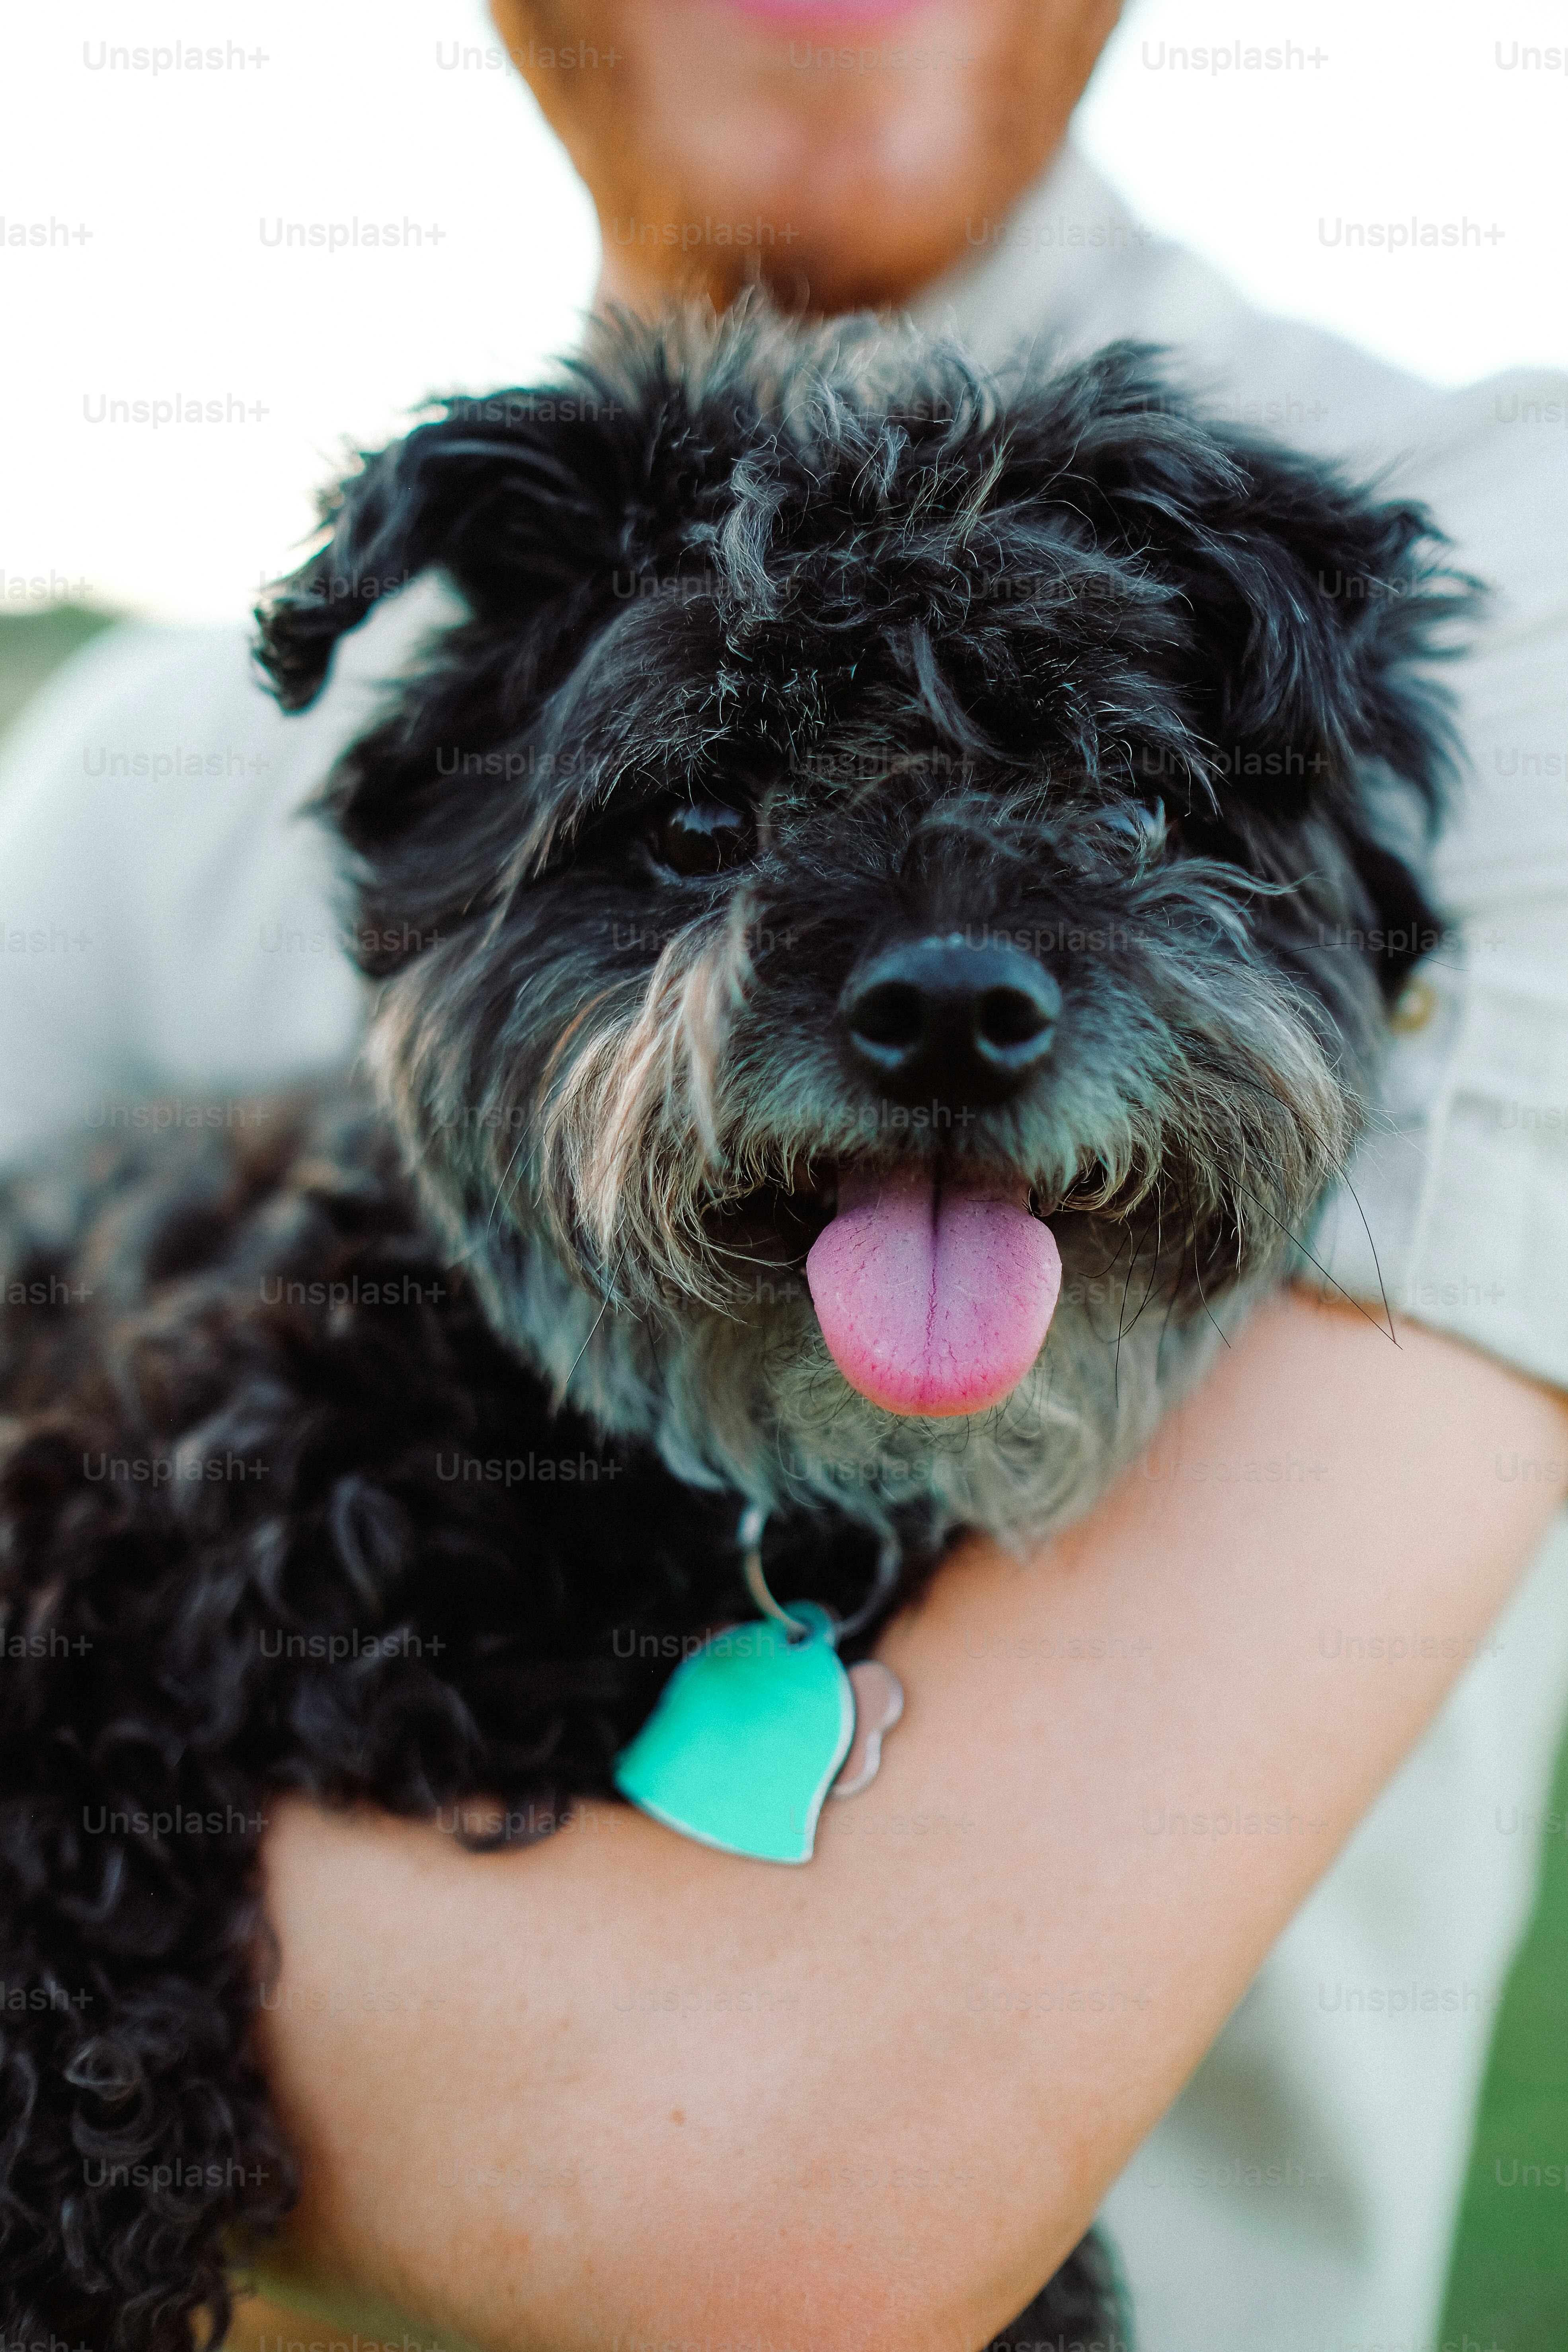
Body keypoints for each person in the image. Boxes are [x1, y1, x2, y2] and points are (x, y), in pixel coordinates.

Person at [2, 4, 1566, 2344]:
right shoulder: (140, 767)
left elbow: (779, 2225)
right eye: (712, 824)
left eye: (1120, 811)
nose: (949, 973)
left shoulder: (1495, 568)